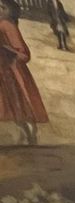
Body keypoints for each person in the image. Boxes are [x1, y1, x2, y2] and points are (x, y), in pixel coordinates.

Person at [0, 0, 48, 145]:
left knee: (21, 102)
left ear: (9, 10)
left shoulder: (7, 25)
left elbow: (24, 54)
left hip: (14, 70)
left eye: (2, 7)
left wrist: (7, 49)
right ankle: (25, 133)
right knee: (12, 104)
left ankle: (31, 134)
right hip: (4, 70)